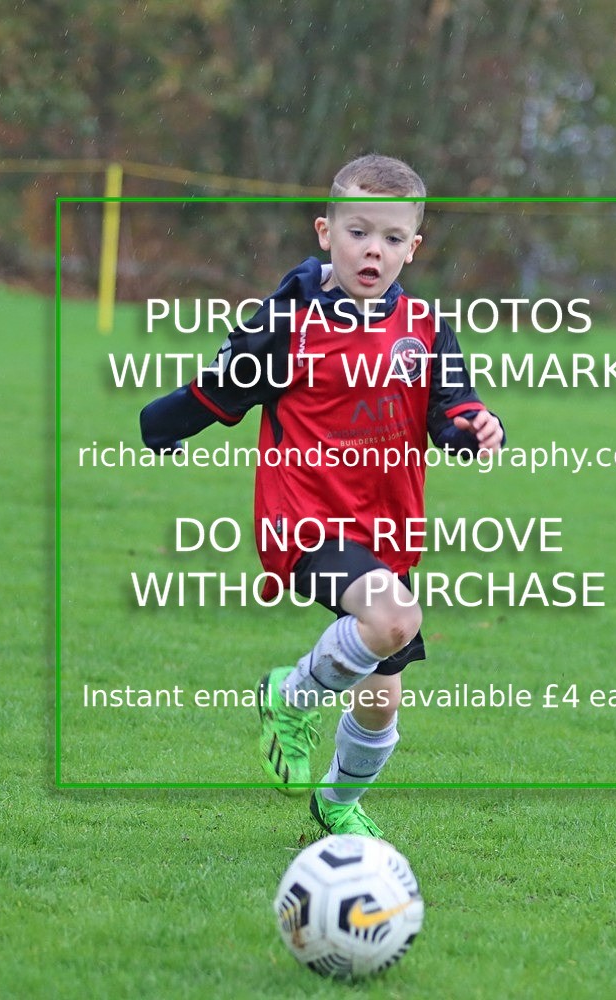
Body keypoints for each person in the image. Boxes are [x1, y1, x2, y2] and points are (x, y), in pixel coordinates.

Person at [140, 154, 504, 837]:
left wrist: (478, 429)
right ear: (323, 232)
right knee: (395, 618)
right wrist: (158, 426)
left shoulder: (426, 330)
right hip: (304, 518)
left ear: (413, 248)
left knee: (379, 701)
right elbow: (219, 389)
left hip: (386, 531)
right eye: (357, 232)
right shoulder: (286, 324)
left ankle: (335, 803)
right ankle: (290, 694)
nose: (374, 249)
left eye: (392, 238)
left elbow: (452, 410)